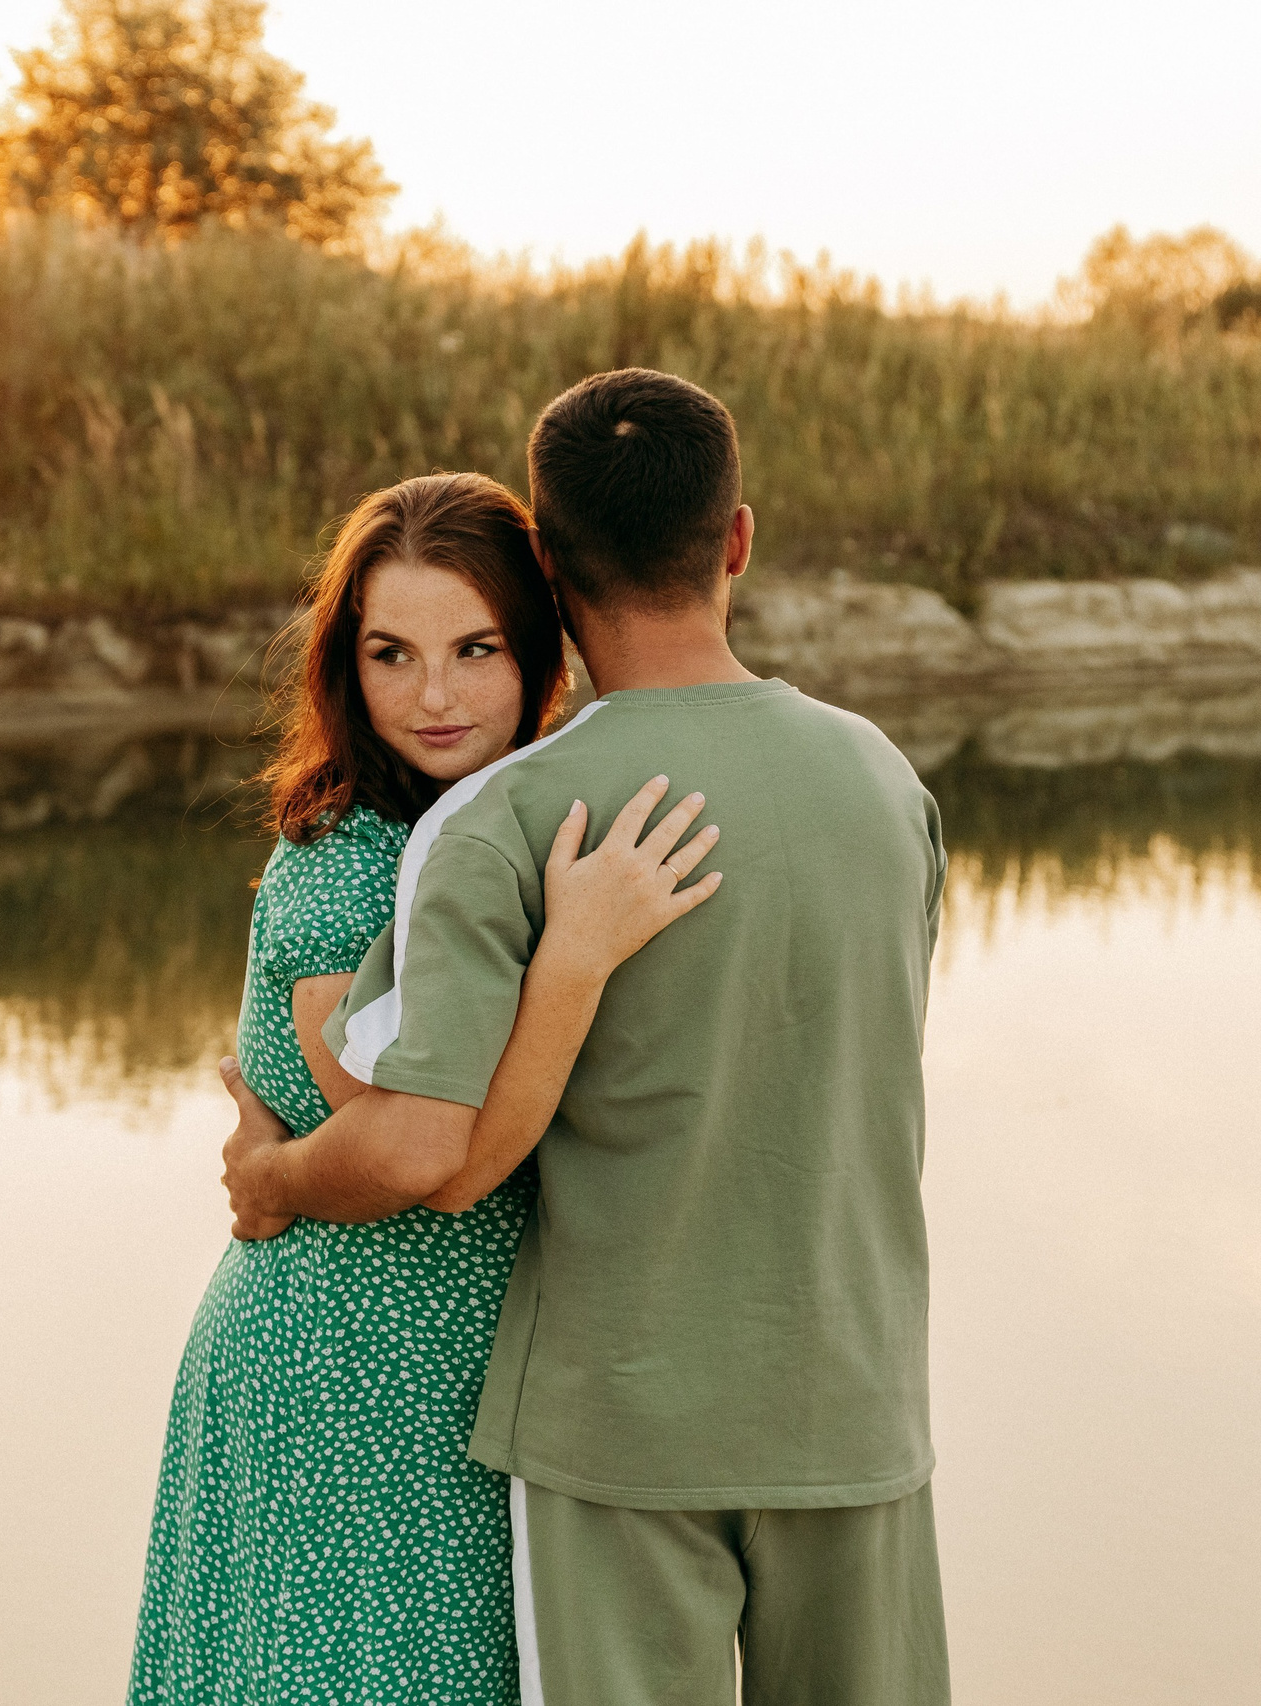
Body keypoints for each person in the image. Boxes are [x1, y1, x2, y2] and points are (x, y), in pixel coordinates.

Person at [221, 370, 951, 1705]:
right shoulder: (884, 782)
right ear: (737, 538)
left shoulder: (505, 815)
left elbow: (412, 1135)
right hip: (857, 1403)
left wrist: (269, 1173)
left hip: (622, 1435)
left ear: (546, 572)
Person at [129, 471, 725, 1705]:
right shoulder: (346, 864)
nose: (435, 694)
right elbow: (415, 1149)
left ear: (538, 647)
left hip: (479, 1380)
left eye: (474, 647)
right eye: (391, 653)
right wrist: (574, 954)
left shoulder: (512, 824)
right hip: (348, 1376)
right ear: (346, 665)